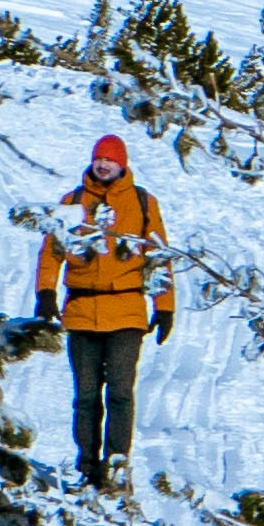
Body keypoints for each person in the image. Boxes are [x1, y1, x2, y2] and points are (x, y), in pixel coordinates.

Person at [34, 130, 173, 489]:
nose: (103, 164)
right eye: (99, 158)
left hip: (127, 311)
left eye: (110, 159)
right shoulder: (73, 201)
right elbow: (51, 251)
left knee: (121, 394)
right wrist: (45, 294)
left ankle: (116, 465)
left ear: (121, 163)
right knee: (86, 397)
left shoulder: (143, 202)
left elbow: (158, 255)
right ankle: (87, 466)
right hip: (81, 312)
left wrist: (165, 306)